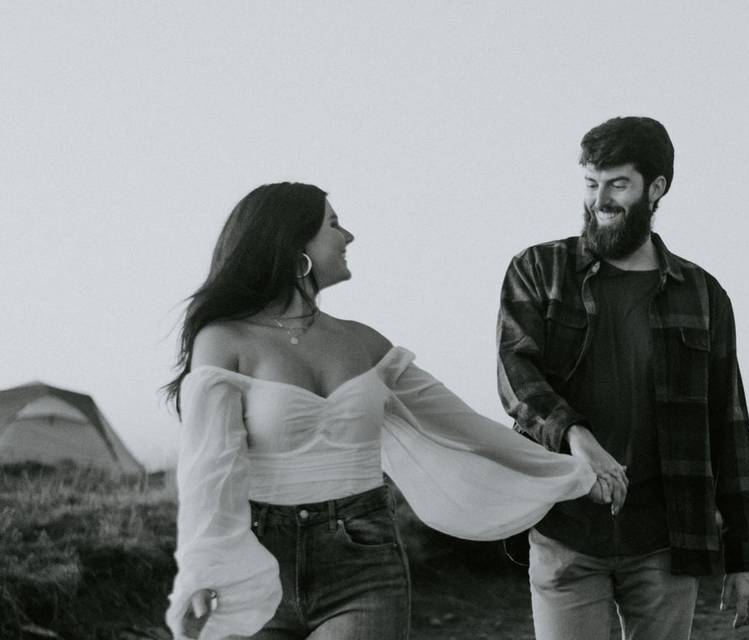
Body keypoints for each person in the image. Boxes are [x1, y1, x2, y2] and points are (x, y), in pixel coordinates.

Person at [163, 182, 614, 640]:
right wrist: (199, 570)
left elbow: (466, 428)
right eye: (334, 224)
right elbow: (208, 466)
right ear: (293, 243)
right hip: (254, 560)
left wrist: (572, 468)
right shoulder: (224, 341)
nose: (349, 237)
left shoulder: (365, 343)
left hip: (364, 562)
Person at [496, 116, 749, 640]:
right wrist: (579, 438)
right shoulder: (538, 270)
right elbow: (517, 374)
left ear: (657, 187)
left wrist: (748, 556)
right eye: (591, 183)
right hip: (565, 532)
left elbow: (729, 425)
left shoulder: (703, 295)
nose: (601, 199)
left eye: (618, 184)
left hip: (665, 540)